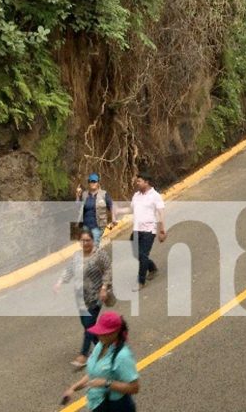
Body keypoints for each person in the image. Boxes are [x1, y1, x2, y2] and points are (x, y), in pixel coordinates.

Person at [53, 228, 112, 368]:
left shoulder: (99, 254)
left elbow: (108, 270)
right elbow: (69, 270)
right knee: (87, 325)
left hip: (96, 296)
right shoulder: (77, 256)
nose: (85, 243)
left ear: (92, 241)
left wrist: (104, 288)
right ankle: (102, 346)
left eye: (88, 240)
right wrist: (60, 282)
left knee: (89, 326)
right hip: (81, 297)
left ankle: (83, 355)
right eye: (83, 240)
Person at [62, 311, 140, 411]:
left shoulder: (123, 356)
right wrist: (73, 388)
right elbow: (93, 374)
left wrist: (107, 383)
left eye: (104, 333)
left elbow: (134, 388)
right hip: (98, 404)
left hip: (116, 407)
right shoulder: (100, 345)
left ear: (115, 332)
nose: (99, 335)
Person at [115, 172, 166, 291]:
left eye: (139, 181)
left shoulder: (155, 196)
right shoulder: (136, 196)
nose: (137, 183)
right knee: (136, 254)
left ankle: (140, 281)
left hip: (149, 230)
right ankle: (152, 268)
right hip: (137, 230)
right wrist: (119, 211)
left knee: (143, 255)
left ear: (146, 182)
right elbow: (131, 209)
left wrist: (162, 229)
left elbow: (161, 213)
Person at [76, 173, 115, 246]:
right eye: (91, 181)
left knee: (94, 247)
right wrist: (78, 196)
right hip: (86, 226)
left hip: (97, 226)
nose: (93, 183)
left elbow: (111, 205)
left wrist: (113, 218)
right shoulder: (84, 194)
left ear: (98, 183)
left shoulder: (103, 194)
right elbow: (78, 207)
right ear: (89, 183)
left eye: (95, 181)